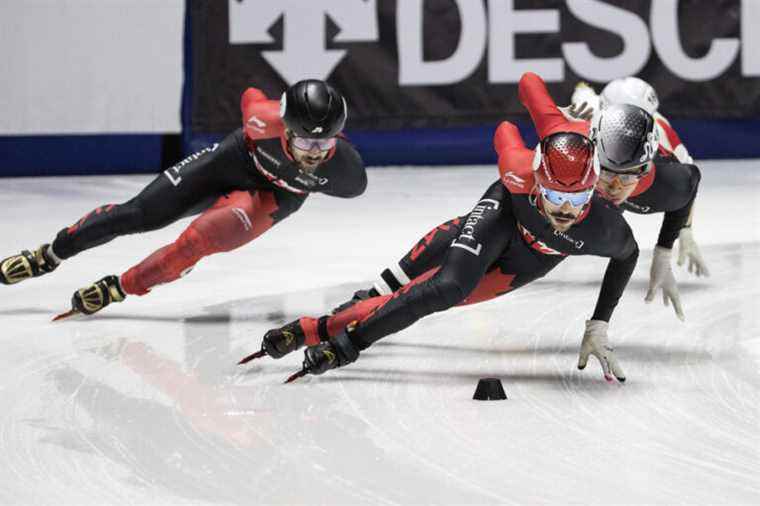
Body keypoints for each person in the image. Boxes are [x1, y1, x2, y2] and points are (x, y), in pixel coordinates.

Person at [241, 72, 640, 384]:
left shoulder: (604, 229)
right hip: (504, 212)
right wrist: (560, 116)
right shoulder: (519, 172)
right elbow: (513, 116)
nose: (566, 212)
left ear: (592, 192)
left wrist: (599, 324)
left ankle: (323, 328)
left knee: (437, 293)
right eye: (556, 198)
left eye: (576, 201)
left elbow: (628, 255)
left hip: (531, 258)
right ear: (537, 179)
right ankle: (352, 323)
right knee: (447, 284)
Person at [0, 80, 367, 317]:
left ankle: (121, 286)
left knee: (197, 241)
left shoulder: (347, 176)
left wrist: (298, 184)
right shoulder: (260, 119)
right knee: (139, 214)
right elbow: (249, 93)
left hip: (274, 196)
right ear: (284, 128)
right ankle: (48, 255)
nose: (315, 152)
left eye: (325, 142)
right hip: (231, 160)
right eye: (305, 141)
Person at [564, 77, 708, 279]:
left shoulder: (659, 130)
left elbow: (688, 180)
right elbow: (582, 92)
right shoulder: (587, 109)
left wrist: (685, 229)